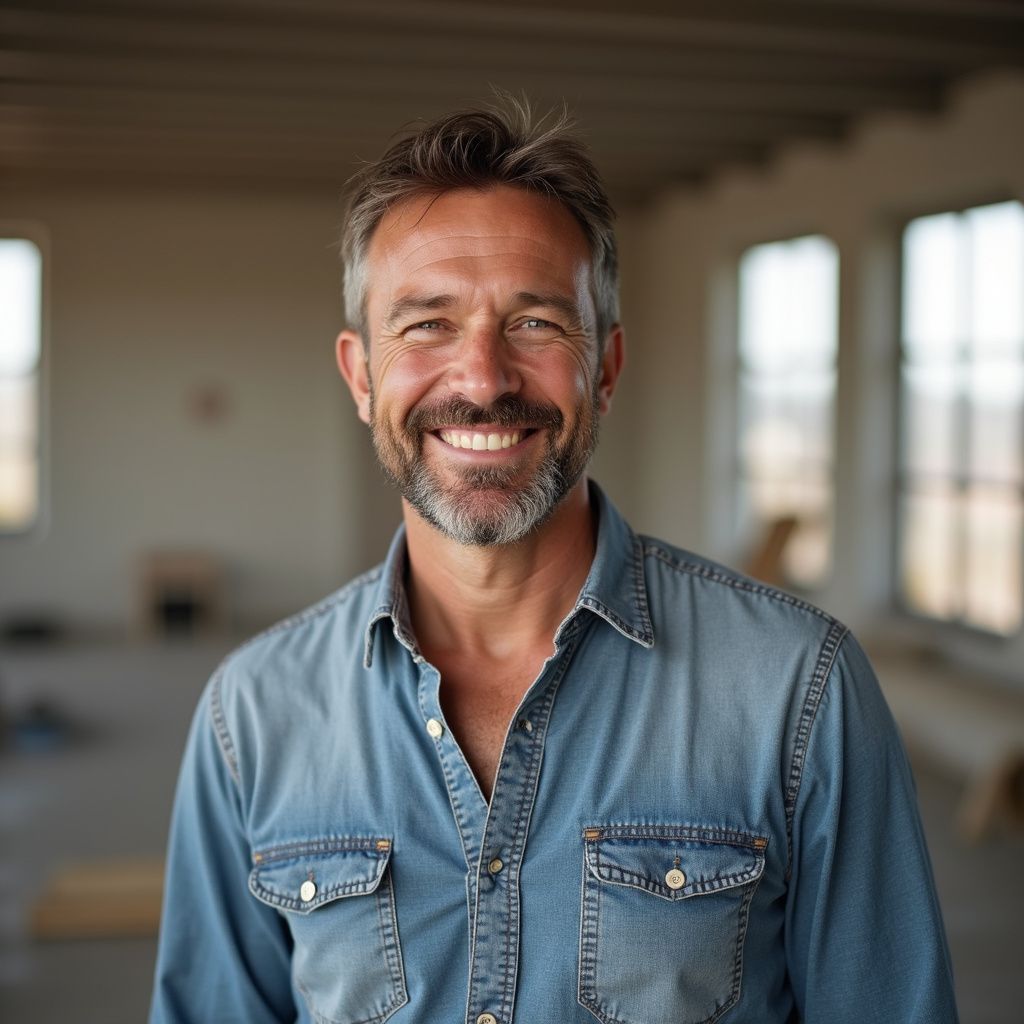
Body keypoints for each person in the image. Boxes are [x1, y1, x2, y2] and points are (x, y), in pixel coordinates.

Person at [150, 100, 958, 1024]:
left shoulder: (797, 689)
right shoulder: (253, 715)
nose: (483, 378)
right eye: (427, 325)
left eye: (535, 322)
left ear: (604, 368)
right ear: (362, 376)